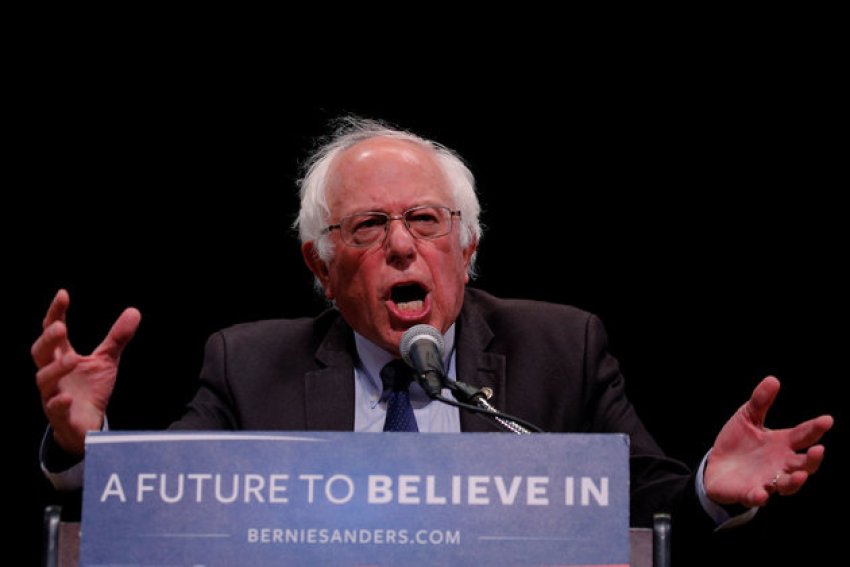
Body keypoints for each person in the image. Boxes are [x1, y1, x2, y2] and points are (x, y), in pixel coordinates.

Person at [33, 117, 833, 555]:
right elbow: (172, 501)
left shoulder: (563, 347)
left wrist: (705, 486)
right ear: (321, 262)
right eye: (369, 226)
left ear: (468, 245)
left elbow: (638, 502)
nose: (403, 245)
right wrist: (84, 443)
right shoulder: (249, 363)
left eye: (424, 219)